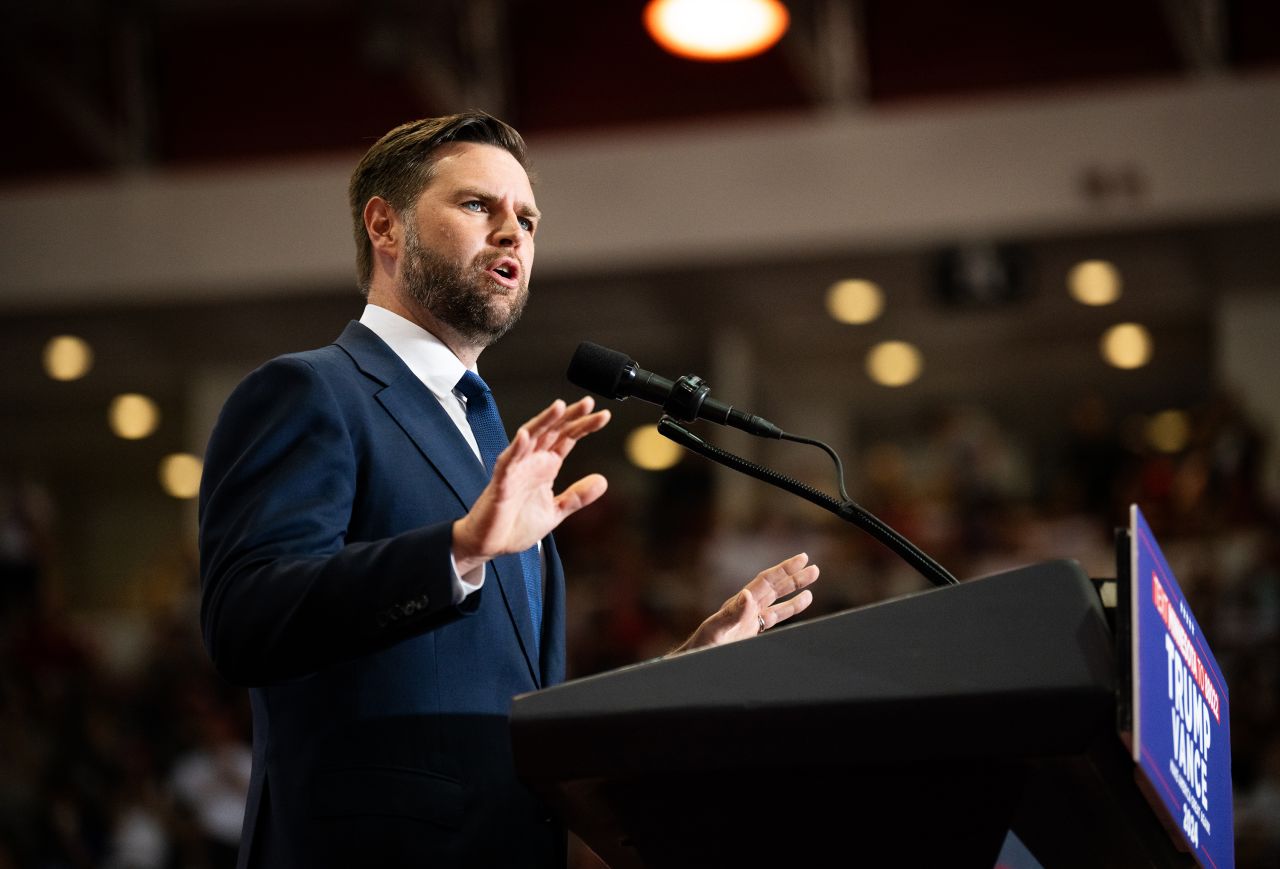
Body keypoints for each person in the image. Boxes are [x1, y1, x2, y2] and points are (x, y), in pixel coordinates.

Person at [198, 111, 820, 868]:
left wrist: (676, 674)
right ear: (384, 226)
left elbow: (518, 720)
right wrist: (456, 550)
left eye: (526, 218)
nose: (512, 232)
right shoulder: (311, 392)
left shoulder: (499, 448)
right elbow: (244, 618)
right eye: (476, 205)